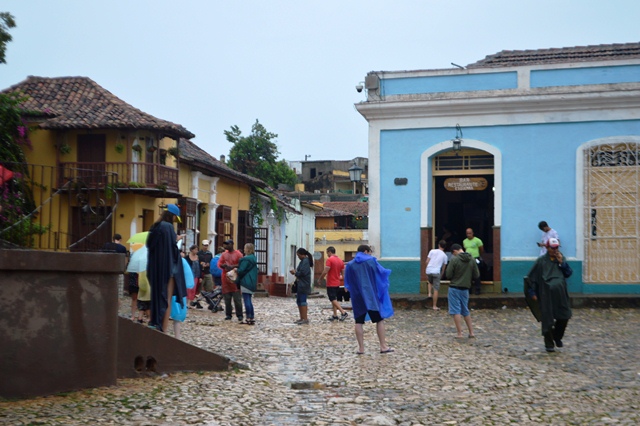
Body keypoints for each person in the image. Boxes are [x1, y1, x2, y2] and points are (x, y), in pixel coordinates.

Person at [344, 245, 394, 355]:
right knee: (379, 320)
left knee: (358, 321)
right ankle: (383, 346)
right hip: (371, 296)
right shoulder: (371, 261)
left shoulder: (350, 265)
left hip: (357, 297)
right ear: (366, 251)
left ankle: (361, 349)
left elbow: (347, 283)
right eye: (370, 252)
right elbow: (382, 273)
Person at [526, 237, 572, 352]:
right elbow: (532, 277)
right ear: (547, 248)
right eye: (553, 248)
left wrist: (562, 263)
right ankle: (549, 344)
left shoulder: (561, 259)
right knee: (547, 319)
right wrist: (532, 293)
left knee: (564, 315)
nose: (555, 250)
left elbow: (568, 273)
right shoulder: (541, 261)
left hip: (560, 295)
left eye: (557, 248)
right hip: (546, 294)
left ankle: (557, 336)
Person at [146, 203, 187, 333]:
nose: (175, 220)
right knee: (167, 298)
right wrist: (176, 240)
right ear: (172, 216)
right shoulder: (168, 227)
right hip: (168, 268)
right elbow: (171, 249)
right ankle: (163, 329)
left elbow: (151, 245)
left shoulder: (155, 226)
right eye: (175, 217)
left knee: (157, 295)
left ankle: (155, 322)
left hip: (155, 268)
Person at [445, 243, 479, 339]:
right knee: (465, 310)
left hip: (454, 288)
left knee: (456, 310)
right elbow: (476, 275)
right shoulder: (472, 259)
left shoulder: (454, 260)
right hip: (465, 289)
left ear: (454, 251)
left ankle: (459, 333)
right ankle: (471, 332)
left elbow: (448, 274)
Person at [317, 246, 348, 321]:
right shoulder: (340, 261)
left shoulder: (330, 260)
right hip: (337, 282)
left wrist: (320, 279)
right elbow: (343, 274)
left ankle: (343, 312)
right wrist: (345, 284)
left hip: (331, 282)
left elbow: (325, 271)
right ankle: (335, 315)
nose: (327, 254)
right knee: (334, 299)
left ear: (329, 252)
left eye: (327, 253)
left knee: (332, 298)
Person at [218, 239, 244, 322]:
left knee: (237, 299)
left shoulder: (238, 254)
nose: (226, 246)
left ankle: (239, 315)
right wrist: (223, 265)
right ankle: (228, 314)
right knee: (227, 299)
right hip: (226, 279)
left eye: (227, 244)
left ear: (232, 244)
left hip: (235, 279)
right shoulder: (224, 254)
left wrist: (232, 266)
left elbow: (241, 264)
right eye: (225, 245)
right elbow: (219, 263)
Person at [289, 247, 314, 325]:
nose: (298, 257)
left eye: (298, 255)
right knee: (299, 301)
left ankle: (305, 318)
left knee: (303, 301)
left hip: (304, 284)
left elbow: (303, 272)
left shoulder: (305, 261)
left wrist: (295, 273)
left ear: (302, 254)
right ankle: (301, 317)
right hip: (300, 284)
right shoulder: (303, 261)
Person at [235, 243, 258, 325]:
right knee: (249, 300)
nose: (244, 250)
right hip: (252, 281)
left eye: (245, 248)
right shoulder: (254, 258)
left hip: (245, 281)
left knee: (246, 300)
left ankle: (248, 317)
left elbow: (241, 270)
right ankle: (251, 317)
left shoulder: (245, 259)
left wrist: (235, 270)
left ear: (247, 249)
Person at [425, 240, 448, 310]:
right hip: (436, 271)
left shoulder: (432, 251)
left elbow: (426, 261)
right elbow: (444, 267)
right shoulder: (445, 256)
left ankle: (429, 293)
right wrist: (442, 273)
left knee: (430, 281)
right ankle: (434, 306)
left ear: (439, 245)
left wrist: (427, 268)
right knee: (436, 289)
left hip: (429, 270)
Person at [463, 228, 484, 295]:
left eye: (470, 233)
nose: (468, 235)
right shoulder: (464, 241)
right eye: (467, 233)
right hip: (467, 259)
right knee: (468, 275)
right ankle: (469, 289)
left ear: (473, 233)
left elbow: (481, 250)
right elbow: (465, 249)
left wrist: (478, 256)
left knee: (476, 274)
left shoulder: (478, 240)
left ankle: (478, 289)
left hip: (475, 259)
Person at [186, 244, 202, 308]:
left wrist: (200, 276)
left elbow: (200, 267)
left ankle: (190, 302)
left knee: (193, 289)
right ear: (192, 250)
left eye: (197, 249)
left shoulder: (198, 257)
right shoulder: (187, 257)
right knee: (188, 289)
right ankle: (187, 302)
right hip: (189, 275)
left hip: (196, 275)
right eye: (195, 249)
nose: (196, 251)